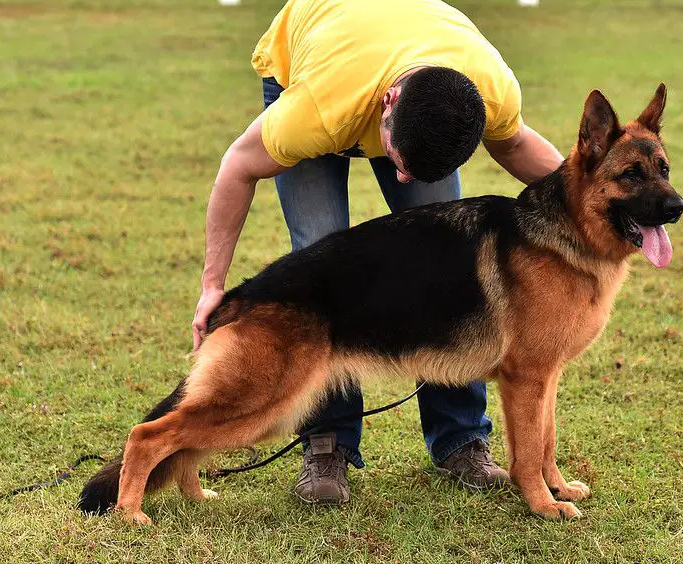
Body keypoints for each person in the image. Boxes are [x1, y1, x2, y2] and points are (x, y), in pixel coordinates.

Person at [191, 0, 564, 505]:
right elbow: (238, 167)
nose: (403, 179)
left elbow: (518, 146)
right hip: (319, 64)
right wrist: (213, 285)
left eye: (418, 172)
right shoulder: (317, 109)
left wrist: (590, 205)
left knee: (449, 265)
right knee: (322, 263)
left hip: (413, 65)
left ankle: (461, 441)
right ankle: (328, 445)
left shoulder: (488, 86)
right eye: (400, 163)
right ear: (387, 104)